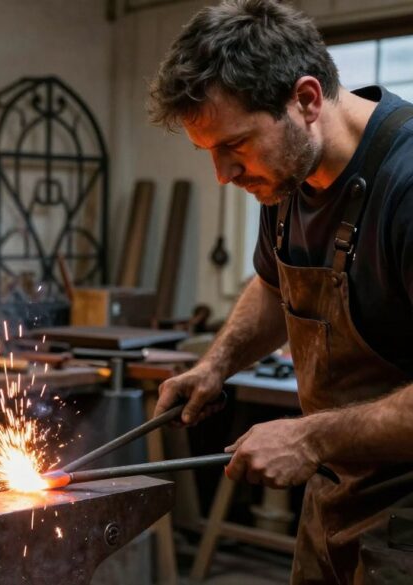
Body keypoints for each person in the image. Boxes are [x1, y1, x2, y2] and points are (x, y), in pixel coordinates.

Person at [147, 0, 413, 582]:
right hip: (335, 498)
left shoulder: (407, 186)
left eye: (235, 146)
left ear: (307, 100)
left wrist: (310, 436)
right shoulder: (288, 182)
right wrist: (214, 366)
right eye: (208, 153)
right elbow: (274, 285)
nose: (223, 174)